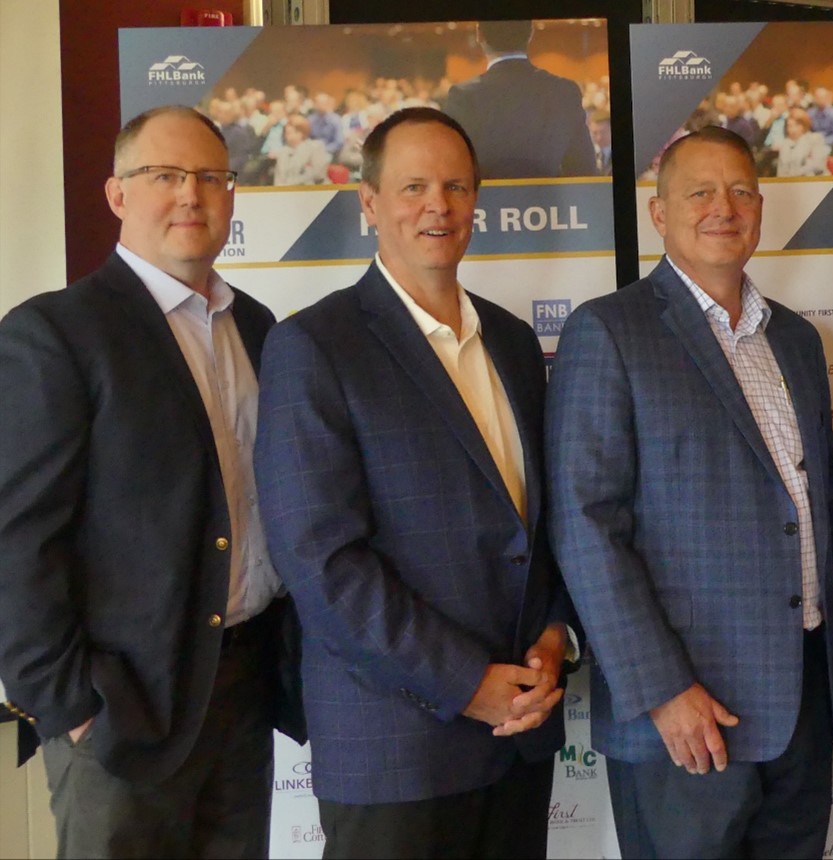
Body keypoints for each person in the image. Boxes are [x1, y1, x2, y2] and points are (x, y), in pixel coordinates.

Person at [253, 107, 576, 859]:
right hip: (396, 747)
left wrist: (556, 634)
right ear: (369, 204)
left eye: (458, 186)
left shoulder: (515, 342)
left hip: (520, 738)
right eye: (415, 186)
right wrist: (467, 682)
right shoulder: (313, 346)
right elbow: (321, 561)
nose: (439, 205)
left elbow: (548, 521)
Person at [0, 105, 304, 858]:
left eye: (209, 177)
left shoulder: (261, 329)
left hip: (242, 687)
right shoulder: (56, 334)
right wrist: (69, 704)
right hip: (120, 708)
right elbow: (16, 540)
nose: (191, 196)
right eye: (164, 176)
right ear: (117, 195)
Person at [546, 126, 833, 859]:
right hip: (685, 716)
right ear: (659, 215)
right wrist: (659, 690)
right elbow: (585, 526)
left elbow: (826, 491)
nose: (726, 206)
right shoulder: (609, 332)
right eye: (701, 192)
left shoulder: (798, 341)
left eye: (742, 190)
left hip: (802, 701)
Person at [440, 20, 596, 179]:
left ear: (479, 35)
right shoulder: (564, 91)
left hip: (486, 202)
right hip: (551, 202)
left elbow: (449, 168)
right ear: (531, 33)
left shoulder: (463, 96)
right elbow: (585, 170)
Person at [773, 107, 831, 177]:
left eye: (797, 125)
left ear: (804, 125)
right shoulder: (785, 143)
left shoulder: (815, 139)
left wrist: (794, 174)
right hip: (791, 183)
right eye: (789, 126)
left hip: (813, 180)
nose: (793, 129)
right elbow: (781, 169)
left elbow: (818, 165)